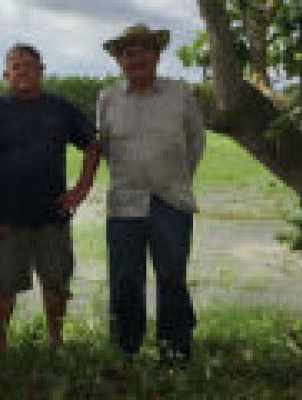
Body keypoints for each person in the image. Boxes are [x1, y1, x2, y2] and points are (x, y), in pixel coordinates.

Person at [0, 43, 101, 367]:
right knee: (3, 286)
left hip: (51, 218)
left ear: (42, 70)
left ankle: (55, 342)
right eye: (16, 66)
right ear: (6, 74)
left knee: (56, 283)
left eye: (29, 65)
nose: (23, 70)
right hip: (6, 219)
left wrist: (82, 188)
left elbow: (93, 145)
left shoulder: (61, 108)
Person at [99, 24, 205, 362]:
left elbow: (196, 142)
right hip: (124, 203)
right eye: (128, 53)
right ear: (119, 61)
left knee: (172, 275)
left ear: (157, 54)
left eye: (143, 50)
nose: (136, 58)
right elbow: (102, 146)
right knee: (125, 279)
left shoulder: (180, 94)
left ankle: (174, 349)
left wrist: (175, 179)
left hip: (171, 200)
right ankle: (125, 348)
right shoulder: (108, 98)